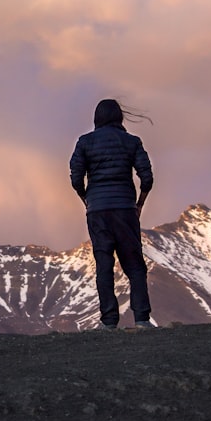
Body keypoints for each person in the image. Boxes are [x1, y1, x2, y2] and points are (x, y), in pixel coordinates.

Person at [69, 99, 154, 330]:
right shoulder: (132, 142)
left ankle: (108, 322)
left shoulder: (84, 142)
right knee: (135, 265)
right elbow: (147, 177)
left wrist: (86, 198)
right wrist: (139, 204)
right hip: (125, 210)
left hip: (97, 211)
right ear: (119, 117)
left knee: (104, 264)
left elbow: (76, 177)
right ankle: (142, 320)